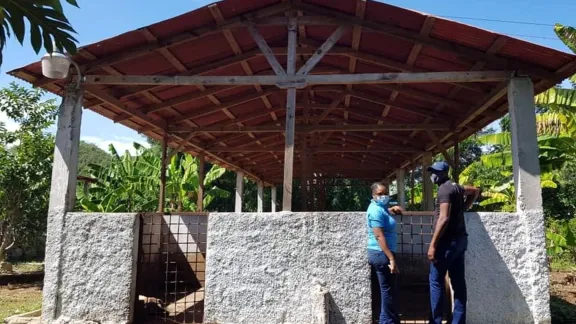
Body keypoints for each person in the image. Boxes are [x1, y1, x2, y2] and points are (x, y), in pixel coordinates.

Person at [426, 161, 480, 324]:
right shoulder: (456, 187)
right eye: (431, 172)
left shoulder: (444, 189)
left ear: (443, 173)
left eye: (435, 172)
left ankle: (436, 321)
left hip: (446, 244)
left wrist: (433, 244)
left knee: (436, 282)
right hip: (460, 241)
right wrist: (464, 207)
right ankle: (458, 320)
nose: (432, 175)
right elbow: (475, 191)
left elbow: (444, 218)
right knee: (458, 283)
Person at [367, 181, 403, 324]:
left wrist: (391, 209)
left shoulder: (380, 208)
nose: (383, 196)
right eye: (380, 194)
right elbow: (379, 236)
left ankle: (390, 319)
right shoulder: (375, 210)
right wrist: (391, 258)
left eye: (385, 193)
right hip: (381, 254)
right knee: (387, 290)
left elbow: (384, 214)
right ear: (373, 195)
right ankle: (386, 321)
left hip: (383, 253)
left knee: (389, 289)